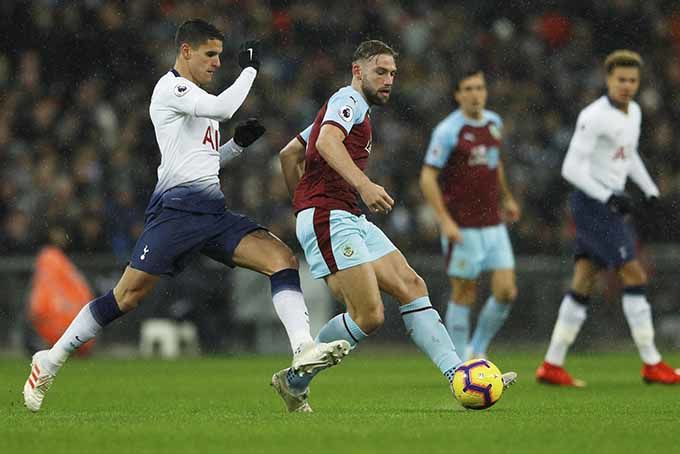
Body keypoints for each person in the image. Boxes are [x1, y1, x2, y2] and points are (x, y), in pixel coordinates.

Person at [23, 19, 349, 412]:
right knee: (126, 297)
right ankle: (50, 359)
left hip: (211, 212)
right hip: (175, 214)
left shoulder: (198, 103)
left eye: (220, 57)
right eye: (210, 55)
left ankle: (302, 349)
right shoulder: (172, 88)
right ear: (186, 52)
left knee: (281, 258)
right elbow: (226, 106)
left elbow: (204, 164)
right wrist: (250, 69)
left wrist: (237, 147)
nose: (216, 63)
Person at [275, 40, 517, 413]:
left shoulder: (351, 110)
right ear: (358, 71)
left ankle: (458, 375)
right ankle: (296, 378)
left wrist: (302, 205)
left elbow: (289, 154)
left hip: (342, 215)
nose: (389, 80)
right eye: (380, 72)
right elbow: (326, 141)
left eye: (392, 74)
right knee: (369, 316)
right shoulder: (348, 101)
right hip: (331, 215)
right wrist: (356, 188)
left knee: (411, 285)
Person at [536, 50, 680, 386]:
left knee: (584, 278)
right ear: (608, 80)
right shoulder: (594, 115)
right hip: (593, 204)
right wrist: (608, 195)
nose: (627, 86)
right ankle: (652, 362)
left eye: (632, 80)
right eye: (621, 80)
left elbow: (628, 158)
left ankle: (552, 364)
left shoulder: (635, 113)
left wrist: (650, 190)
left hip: (609, 206)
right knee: (634, 272)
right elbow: (570, 168)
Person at [419, 69, 520, 360]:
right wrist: (445, 220)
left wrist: (507, 197)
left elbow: (494, 163)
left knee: (506, 291)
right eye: (469, 89)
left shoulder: (494, 123)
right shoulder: (448, 130)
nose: (476, 94)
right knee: (465, 293)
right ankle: (461, 361)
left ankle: (478, 350)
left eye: (480, 88)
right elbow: (427, 177)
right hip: (462, 226)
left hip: (493, 223)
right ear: (458, 95)